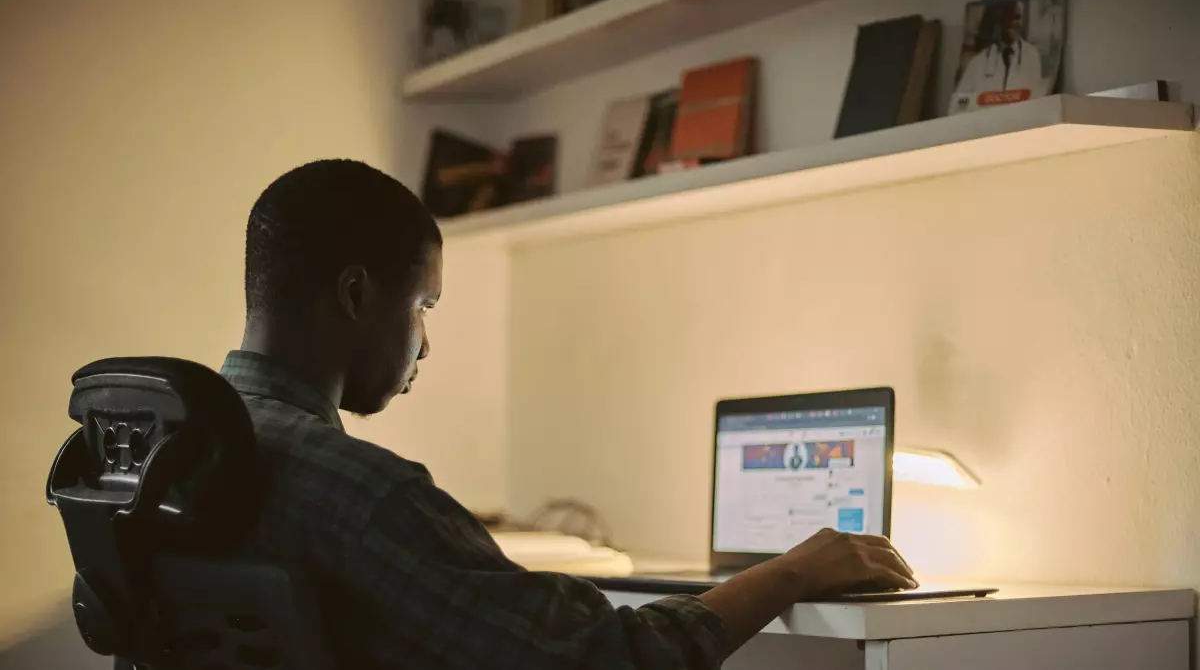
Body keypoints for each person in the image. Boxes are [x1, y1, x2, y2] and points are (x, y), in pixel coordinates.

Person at [222, 159, 917, 669]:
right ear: (354, 295)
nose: (425, 342)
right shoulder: (363, 494)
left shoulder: (175, 446)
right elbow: (608, 658)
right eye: (423, 307)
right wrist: (791, 571)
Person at [951, 0, 1045, 112]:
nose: (1013, 22)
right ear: (1000, 20)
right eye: (1009, 16)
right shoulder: (978, 62)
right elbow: (956, 108)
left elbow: (1038, 101)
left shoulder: (1031, 56)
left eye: (1018, 17)